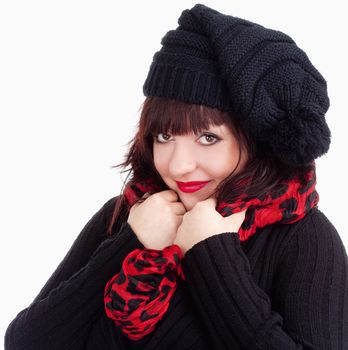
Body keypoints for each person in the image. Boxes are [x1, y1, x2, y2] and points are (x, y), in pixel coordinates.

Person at [5, 3, 347, 349]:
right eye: (164, 136)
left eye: (208, 138)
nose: (178, 165)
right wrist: (131, 243)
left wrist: (213, 254)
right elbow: (25, 342)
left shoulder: (303, 237)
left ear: (254, 141)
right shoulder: (131, 214)